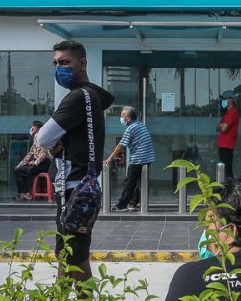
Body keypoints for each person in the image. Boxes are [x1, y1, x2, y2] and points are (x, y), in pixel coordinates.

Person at [35, 41, 115, 283]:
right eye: (56, 63)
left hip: (73, 190)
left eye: (65, 62)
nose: (59, 68)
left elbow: (43, 137)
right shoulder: (92, 97)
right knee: (71, 255)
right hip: (83, 187)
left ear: (82, 63)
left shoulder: (77, 98)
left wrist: (56, 144)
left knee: (73, 256)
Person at [104, 106, 155, 211]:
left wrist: (109, 158)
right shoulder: (140, 125)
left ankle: (121, 205)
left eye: (122, 116)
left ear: (128, 118)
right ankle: (133, 203)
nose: (121, 118)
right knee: (138, 182)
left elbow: (120, 145)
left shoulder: (131, 128)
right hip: (147, 158)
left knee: (129, 182)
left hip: (138, 159)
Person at [14, 120, 50, 201]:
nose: (31, 128)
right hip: (38, 163)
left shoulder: (41, 137)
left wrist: (35, 163)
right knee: (18, 170)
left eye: (33, 127)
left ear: (38, 128)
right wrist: (20, 164)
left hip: (44, 163)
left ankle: (25, 193)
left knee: (24, 171)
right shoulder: (35, 138)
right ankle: (25, 193)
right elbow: (30, 154)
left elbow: (43, 154)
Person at [215, 90, 239, 178]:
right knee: (224, 169)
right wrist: (221, 126)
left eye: (225, 99)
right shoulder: (227, 113)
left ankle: (231, 189)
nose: (223, 101)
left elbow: (224, 128)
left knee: (227, 170)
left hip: (227, 146)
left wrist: (221, 126)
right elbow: (217, 127)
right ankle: (227, 188)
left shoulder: (233, 112)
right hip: (222, 145)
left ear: (231, 100)